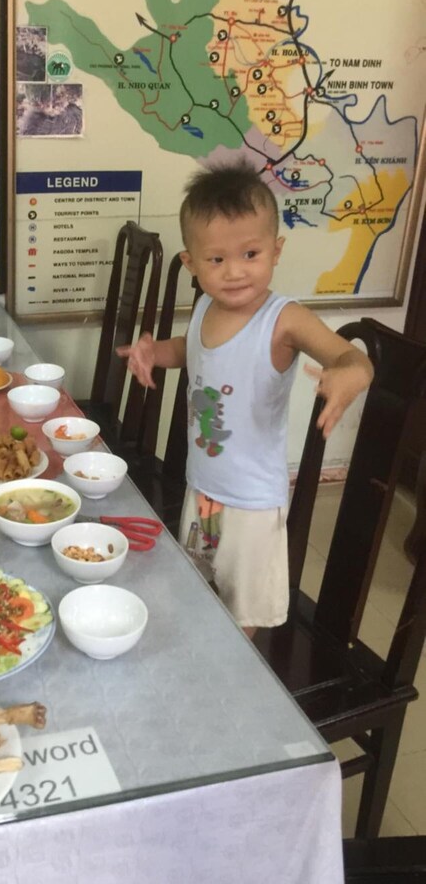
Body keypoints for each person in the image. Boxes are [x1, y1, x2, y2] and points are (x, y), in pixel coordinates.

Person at [117, 164, 374, 637]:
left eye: (250, 253)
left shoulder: (284, 319)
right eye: (216, 259)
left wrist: (348, 374)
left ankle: (238, 665)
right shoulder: (204, 307)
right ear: (192, 264)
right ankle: (202, 648)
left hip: (252, 505)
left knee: (244, 608)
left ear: (276, 250)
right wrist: (155, 352)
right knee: (199, 581)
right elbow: (190, 350)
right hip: (204, 489)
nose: (234, 271)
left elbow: (352, 358)